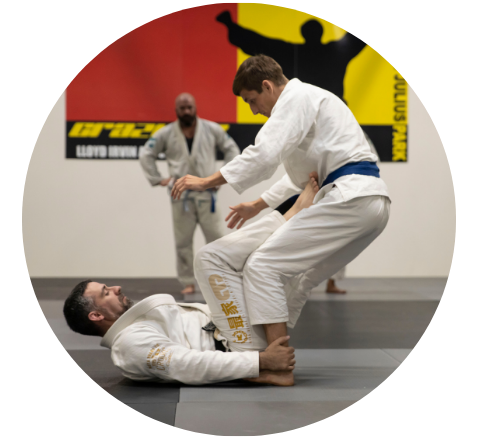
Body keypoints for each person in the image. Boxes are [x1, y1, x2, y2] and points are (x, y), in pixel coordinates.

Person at [171, 55, 391, 359]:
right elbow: (303, 176)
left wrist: (207, 181)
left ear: (267, 86)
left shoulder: (296, 97)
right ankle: (257, 345)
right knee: (300, 278)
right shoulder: (314, 102)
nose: (253, 110)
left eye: (252, 100)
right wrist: (258, 204)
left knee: (263, 265)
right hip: (372, 205)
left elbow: (264, 154)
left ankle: (276, 362)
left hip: (350, 197)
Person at [62, 177, 320, 386]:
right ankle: (293, 213)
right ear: (96, 315)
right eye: (106, 293)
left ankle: (330, 216)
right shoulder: (129, 346)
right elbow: (186, 364)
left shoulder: (136, 325)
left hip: (239, 327)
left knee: (301, 263)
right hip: (238, 345)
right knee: (209, 258)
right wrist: (261, 362)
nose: (116, 288)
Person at [139, 93, 240, 295]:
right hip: (181, 195)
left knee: (217, 239)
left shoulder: (211, 129)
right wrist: (159, 179)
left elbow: (232, 150)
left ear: (195, 108)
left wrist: (222, 176)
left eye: (189, 107)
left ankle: (222, 278)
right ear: (176, 110)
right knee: (183, 242)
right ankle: (188, 281)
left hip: (206, 194)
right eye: (182, 108)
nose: (186, 111)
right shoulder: (166, 133)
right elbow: (146, 154)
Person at [216, 11, 366, 103]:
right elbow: (261, 42)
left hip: (328, 109)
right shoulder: (333, 51)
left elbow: (261, 42)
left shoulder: (294, 52)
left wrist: (231, 26)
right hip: (309, 109)